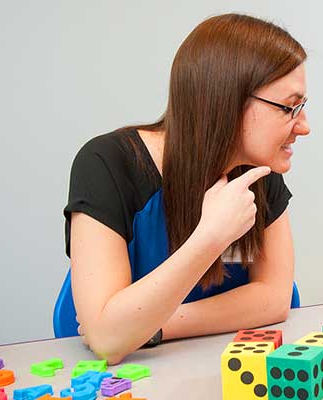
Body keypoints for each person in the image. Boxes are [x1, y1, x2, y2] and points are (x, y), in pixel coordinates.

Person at [63, 13, 310, 364]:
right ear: (228, 100)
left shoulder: (259, 171)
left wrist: (155, 326)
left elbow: (273, 298)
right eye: (290, 107)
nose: (304, 126)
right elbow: (105, 337)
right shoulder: (107, 164)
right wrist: (210, 237)